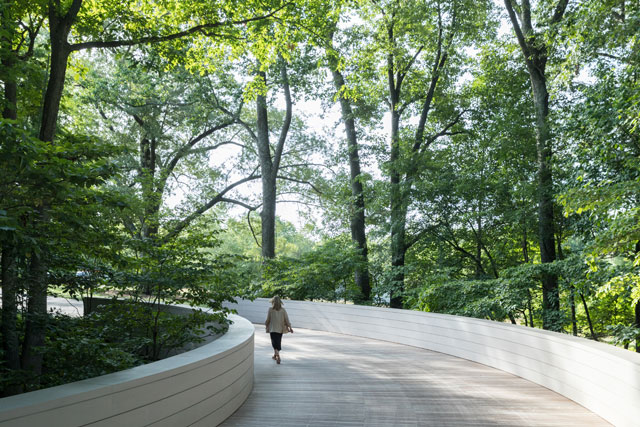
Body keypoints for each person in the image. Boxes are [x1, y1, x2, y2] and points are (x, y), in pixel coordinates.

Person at [265, 296, 293, 364]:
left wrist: (266, 325)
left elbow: (268, 319)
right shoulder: (283, 310)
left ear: (273, 302)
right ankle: (275, 355)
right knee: (278, 342)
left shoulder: (270, 309)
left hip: (272, 328)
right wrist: (290, 327)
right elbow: (286, 319)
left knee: (274, 342)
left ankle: (277, 355)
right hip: (280, 329)